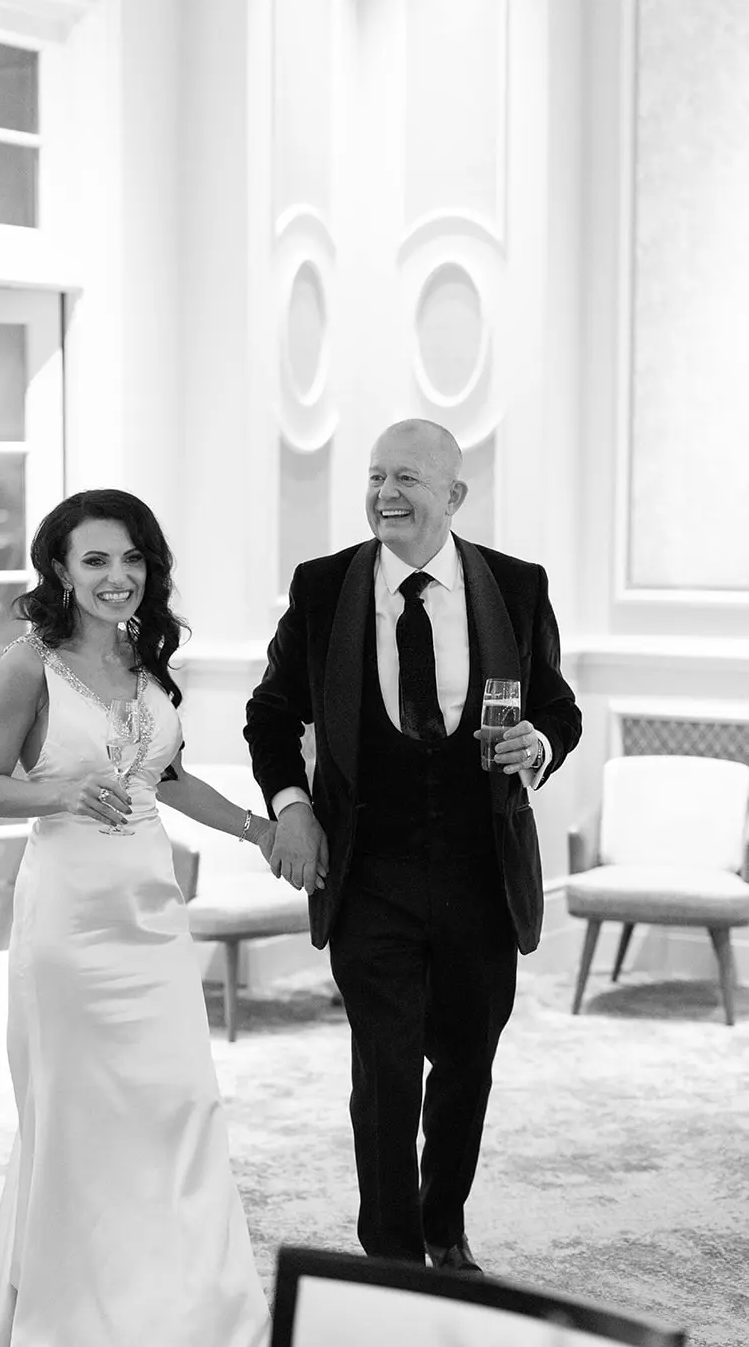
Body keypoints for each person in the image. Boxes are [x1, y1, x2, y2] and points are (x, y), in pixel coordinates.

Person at [245, 420, 581, 1273]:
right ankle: (392, 1258)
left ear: (452, 496)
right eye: (374, 476)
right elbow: (271, 715)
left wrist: (535, 746)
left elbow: (559, 708)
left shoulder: (513, 584)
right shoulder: (323, 589)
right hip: (371, 872)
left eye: (406, 479)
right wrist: (290, 806)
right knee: (385, 1074)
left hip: (479, 869)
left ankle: (442, 1224)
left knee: (466, 1065)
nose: (385, 494)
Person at [0, 488, 272, 1347]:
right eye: (95, 559)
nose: (117, 577)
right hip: (69, 922)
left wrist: (260, 831)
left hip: (151, 917)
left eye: (131, 559)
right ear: (58, 569)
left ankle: (190, 1319)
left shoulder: (146, 659)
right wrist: (59, 792)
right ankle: (73, 1325)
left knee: (180, 1108)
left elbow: (167, 778)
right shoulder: (27, 667)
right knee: (81, 1120)